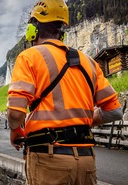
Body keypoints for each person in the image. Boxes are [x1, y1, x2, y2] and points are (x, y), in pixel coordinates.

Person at [7, 0, 123, 185]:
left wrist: (15, 130)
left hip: (49, 159)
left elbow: (15, 113)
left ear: (32, 29)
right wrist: (79, 120)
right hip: (86, 160)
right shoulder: (89, 62)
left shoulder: (29, 56)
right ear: (61, 30)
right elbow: (115, 111)